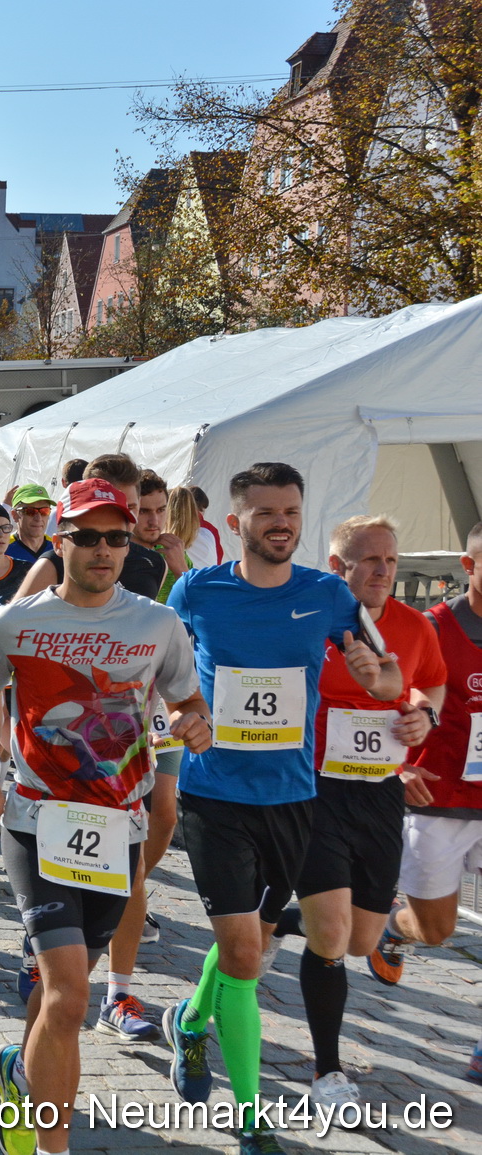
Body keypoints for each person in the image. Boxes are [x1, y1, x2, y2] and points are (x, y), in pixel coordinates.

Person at [162, 463, 402, 1155]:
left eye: (291, 511)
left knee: (247, 948)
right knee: (243, 952)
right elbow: (152, 673)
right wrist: (179, 718)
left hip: (295, 798)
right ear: (234, 522)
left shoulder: (327, 594)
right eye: (266, 512)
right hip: (214, 796)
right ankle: (250, 1118)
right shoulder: (196, 590)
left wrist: (373, 677)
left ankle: (190, 1016)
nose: (281, 523)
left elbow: (387, 671)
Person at [0, 477, 210, 1155]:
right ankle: (54, 1148)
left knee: (59, 1000)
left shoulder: (158, 624)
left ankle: (18, 1070)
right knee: (71, 994)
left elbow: (190, 703)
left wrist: (196, 726)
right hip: (34, 820)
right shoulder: (15, 621)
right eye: (89, 536)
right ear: (60, 538)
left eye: (117, 537)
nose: (104, 549)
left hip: (117, 830)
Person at [255, 516, 444, 1111]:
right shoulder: (313, 619)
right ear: (339, 567)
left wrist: (424, 715)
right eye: (370, 560)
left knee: (361, 940)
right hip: (315, 789)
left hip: (380, 794)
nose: (384, 570)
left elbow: (430, 684)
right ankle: (327, 1074)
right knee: (333, 937)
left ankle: (271, 921)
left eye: (390, 559)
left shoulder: (415, 627)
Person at [366, 522, 482, 1016]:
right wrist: (400, 770)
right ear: (470, 566)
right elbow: (387, 700)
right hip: (438, 797)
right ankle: (394, 927)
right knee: (436, 930)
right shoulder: (432, 626)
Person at [15, 455, 166, 603]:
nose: (124, 517)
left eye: (130, 507)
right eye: (113, 508)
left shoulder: (154, 563)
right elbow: (15, 620)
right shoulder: (54, 563)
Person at [134, 471, 191, 601]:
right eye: (143, 511)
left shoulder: (175, 551)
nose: (154, 521)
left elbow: (198, 609)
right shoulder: (115, 553)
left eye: (161, 510)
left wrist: (181, 571)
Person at [7, 484, 55, 563]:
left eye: (44, 511)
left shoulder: (58, 549)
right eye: (30, 511)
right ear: (14, 515)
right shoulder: (2, 550)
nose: (38, 518)